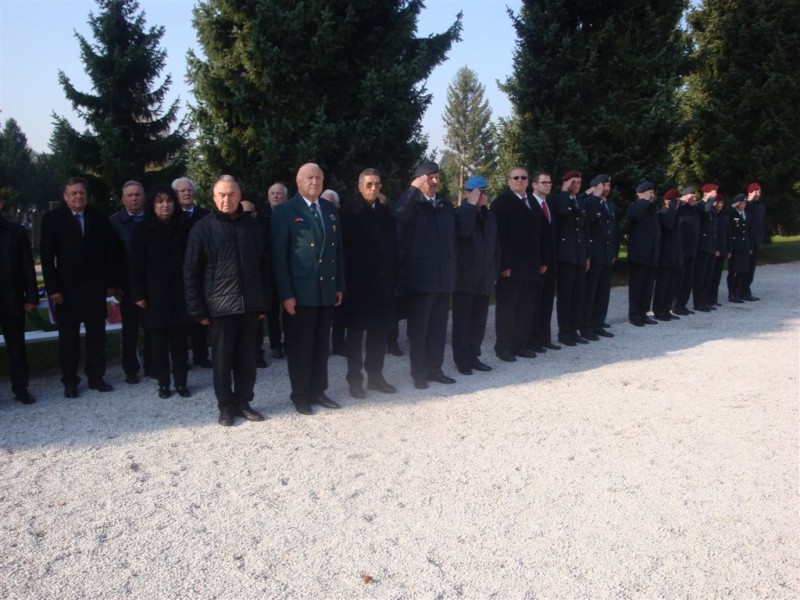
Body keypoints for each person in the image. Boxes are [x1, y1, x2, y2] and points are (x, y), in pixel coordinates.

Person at [184, 175, 271, 426]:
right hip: (219, 308)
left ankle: (243, 402)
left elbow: (265, 267)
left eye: (231, 194)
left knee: (247, 360)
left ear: (239, 196)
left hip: (250, 306)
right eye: (221, 194)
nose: (226, 199)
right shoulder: (202, 229)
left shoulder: (253, 227)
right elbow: (191, 271)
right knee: (222, 362)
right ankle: (225, 406)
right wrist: (197, 309)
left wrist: (264, 303)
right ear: (213, 198)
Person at [271, 163, 345, 415]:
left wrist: (339, 285)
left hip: (325, 288)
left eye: (319, 178)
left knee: (321, 345)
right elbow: (279, 256)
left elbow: (337, 250)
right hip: (300, 291)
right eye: (309, 178)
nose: (314, 182)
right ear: (298, 181)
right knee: (300, 346)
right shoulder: (285, 210)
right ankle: (300, 394)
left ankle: (318, 390)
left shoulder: (329, 208)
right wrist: (286, 294)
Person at [40, 177, 117, 397]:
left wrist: (111, 283)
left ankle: (96, 377)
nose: (78, 196)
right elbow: (47, 257)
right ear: (65, 197)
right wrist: (53, 289)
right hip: (67, 289)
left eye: (81, 192)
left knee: (97, 336)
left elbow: (110, 252)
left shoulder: (98, 217)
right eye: (73, 193)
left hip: (95, 287)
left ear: (87, 195)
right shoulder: (53, 219)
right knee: (68, 338)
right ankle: (70, 381)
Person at [392, 161, 457, 389]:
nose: (435, 181)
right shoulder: (413, 205)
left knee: (438, 330)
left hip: (443, 279)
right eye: (430, 178)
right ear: (420, 180)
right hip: (420, 280)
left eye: (437, 176)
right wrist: (412, 190)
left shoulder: (445, 205)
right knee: (419, 331)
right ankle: (419, 373)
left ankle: (435, 369)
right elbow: (398, 215)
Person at [339, 168, 398, 398]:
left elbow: (392, 247)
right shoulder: (348, 213)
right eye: (369, 184)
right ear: (360, 186)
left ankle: (375, 377)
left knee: (378, 334)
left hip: (381, 284)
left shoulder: (384, 213)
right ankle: (355, 380)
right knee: (355, 336)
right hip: (357, 285)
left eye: (377, 184)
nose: (374, 188)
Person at [129, 185, 192, 399]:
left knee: (180, 341)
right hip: (154, 294)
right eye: (160, 201)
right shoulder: (142, 230)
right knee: (158, 342)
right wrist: (138, 293)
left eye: (169, 201)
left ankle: (181, 382)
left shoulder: (183, 226)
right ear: (152, 205)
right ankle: (163, 382)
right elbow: (135, 264)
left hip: (180, 293)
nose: (165, 205)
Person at [490, 166, 546, 362]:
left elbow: (540, 234)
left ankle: (519, 344)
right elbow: (498, 237)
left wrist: (543, 260)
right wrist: (503, 265)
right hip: (511, 268)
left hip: (531, 266)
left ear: (528, 181)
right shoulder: (501, 203)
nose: (519, 180)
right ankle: (503, 347)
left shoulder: (533, 202)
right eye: (516, 178)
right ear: (509, 181)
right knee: (507, 308)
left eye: (523, 177)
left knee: (525, 308)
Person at [452, 176, 500, 375]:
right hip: (465, 278)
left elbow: (495, 246)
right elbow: (463, 232)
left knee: (478, 322)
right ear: (468, 193)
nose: (483, 196)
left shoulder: (489, 216)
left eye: (484, 192)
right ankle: (462, 359)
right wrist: (471, 206)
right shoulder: (460, 213)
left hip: (484, 277)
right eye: (479, 192)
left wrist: (494, 271)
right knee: (462, 321)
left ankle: (473, 355)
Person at [0, 194, 38, 404]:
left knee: (16, 347)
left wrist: (31, 296)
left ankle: (21, 389)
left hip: (11, 297)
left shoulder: (15, 231)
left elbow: (27, 266)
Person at [109, 180, 147, 383]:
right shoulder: (114, 222)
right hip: (127, 284)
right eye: (130, 195)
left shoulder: (152, 218)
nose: (134, 198)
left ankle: (153, 364)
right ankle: (130, 369)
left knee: (152, 326)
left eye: (138, 194)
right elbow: (110, 256)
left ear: (144, 197)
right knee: (130, 329)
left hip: (151, 282)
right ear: (123, 199)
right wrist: (114, 284)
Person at [172, 176, 212, 368]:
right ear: (176, 194)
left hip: (202, 271)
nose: (187, 193)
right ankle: (180, 359)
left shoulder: (205, 215)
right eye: (182, 191)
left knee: (200, 318)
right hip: (178, 273)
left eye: (189, 190)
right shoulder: (170, 216)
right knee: (179, 320)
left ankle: (201, 355)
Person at [553, 170, 589, 346]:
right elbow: (561, 212)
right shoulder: (560, 199)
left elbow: (584, 229)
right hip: (566, 255)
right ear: (565, 182)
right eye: (573, 182)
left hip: (579, 254)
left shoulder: (580, 201)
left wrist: (587, 255)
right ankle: (564, 332)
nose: (577, 185)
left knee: (578, 295)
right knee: (565, 296)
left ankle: (574, 329)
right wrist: (565, 191)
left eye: (579, 182)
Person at [582, 174, 619, 338]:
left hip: (606, 254)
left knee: (603, 292)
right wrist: (595, 198)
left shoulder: (610, 205)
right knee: (590, 292)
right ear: (595, 186)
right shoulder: (588, 203)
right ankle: (586, 325)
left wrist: (614, 252)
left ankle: (598, 323)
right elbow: (588, 222)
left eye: (608, 186)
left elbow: (614, 231)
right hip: (594, 255)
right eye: (603, 185)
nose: (606, 188)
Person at [528, 172, 560, 352]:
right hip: (537, 262)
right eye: (544, 182)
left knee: (547, 301)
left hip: (551, 261)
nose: (548, 185)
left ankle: (544, 338)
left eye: (550, 182)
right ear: (534, 185)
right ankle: (532, 340)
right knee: (534, 302)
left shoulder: (549, 205)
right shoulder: (530, 204)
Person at [626, 181, 661, 327]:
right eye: (649, 193)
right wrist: (643, 200)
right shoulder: (636, 207)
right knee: (637, 286)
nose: (652, 196)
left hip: (651, 255)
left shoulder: (652, 210)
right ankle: (634, 314)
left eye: (652, 193)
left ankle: (643, 312)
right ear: (640, 194)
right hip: (639, 256)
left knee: (647, 287)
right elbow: (633, 215)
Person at [261, 183, 288, 360]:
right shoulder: (260, 216)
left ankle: (290, 342)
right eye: (273, 193)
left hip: (287, 270)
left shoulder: (291, 214)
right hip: (268, 271)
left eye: (279, 193)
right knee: (271, 312)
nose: (276, 196)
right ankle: (276, 345)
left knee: (290, 310)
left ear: (285, 197)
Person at [321, 189, 347, 356]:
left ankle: (339, 343)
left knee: (340, 311)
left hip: (339, 271)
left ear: (337, 205)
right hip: (322, 273)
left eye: (331, 203)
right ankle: (322, 346)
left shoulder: (343, 220)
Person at [652, 188, 683, 321]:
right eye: (675, 201)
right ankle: (659, 310)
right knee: (662, 284)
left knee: (671, 285)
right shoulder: (662, 213)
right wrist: (671, 208)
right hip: (665, 255)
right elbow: (669, 225)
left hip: (674, 255)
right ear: (667, 201)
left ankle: (666, 309)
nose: (677, 204)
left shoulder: (675, 214)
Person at [672, 186, 700, 316]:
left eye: (695, 196)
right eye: (691, 196)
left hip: (692, 249)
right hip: (681, 249)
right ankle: (675, 304)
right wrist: (680, 199)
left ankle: (682, 304)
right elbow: (670, 207)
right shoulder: (680, 208)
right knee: (679, 279)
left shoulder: (695, 210)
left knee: (688, 280)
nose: (694, 198)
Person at [692, 183, 719, 312]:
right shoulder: (700, 205)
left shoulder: (711, 207)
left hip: (710, 246)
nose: (716, 194)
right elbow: (705, 211)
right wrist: (711, 199)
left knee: (708, 276)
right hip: (702, 246)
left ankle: (705, 300)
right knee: (700, 276)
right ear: (707, 193)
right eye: (714, 192)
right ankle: (698, 302)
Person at [727, 194, 753, 303]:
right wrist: (734, 205)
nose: (743, 205)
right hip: (735, 246)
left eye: (744, 203)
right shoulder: (732, 214)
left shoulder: (747, 215)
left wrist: (750, 246)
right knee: (733, 271)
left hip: (744, 246)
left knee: (742, 271)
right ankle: (731, 294)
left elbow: (749, 232)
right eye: (741, 203)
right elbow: (728, 212)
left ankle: (738, 293)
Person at [709, 193, 732, 306]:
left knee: (717, 276)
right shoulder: (712, 215)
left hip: (722, 248)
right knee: (710, 276)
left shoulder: (724, 216)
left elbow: (728, 234)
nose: (719, 205)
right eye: (717, 202)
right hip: (713, 249)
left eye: (721, 203)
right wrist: (715, 249)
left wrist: (729, 250)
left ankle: (713, 299)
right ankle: (707, 299)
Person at [744, 182, 765, 301]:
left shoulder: (761, 206)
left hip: (756, 240)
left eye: (759, 191)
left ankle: (746, 290)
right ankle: (738, 291)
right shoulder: (745, 204)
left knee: (751, 268)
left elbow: (761, 224)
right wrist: (749, 200)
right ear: (750, 192)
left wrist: (761, 239)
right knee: (743, 268)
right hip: (746, 240)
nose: (758, 194)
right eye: (755, 191)